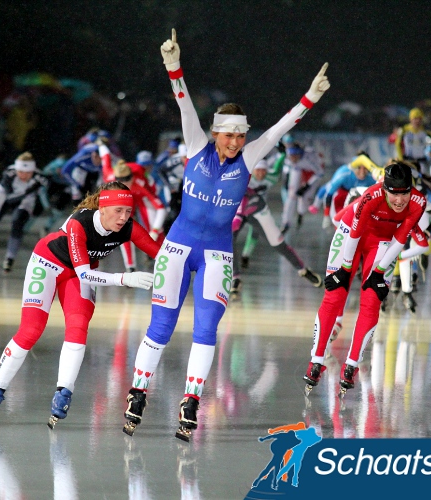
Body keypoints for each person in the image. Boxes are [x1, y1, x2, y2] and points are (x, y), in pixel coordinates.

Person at [122, 28, 330, 441]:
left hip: (217, 251)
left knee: (206, 331)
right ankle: (137, 394)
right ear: (216, 132)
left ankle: (191, 401)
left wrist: (311, 97)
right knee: (160, 327)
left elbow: (280, 129)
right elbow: (182, 102)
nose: (236, 142)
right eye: (229, 134)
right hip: (178, 246)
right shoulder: (196, 142)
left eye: (241, 134)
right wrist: (172, 67)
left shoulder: (251, 154)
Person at [0, 182, 161, 428]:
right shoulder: (79, 223)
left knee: (78, 327)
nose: (123, 218)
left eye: (128, 212)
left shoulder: (128, 228)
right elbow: (86, 275)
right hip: (48, 263)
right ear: (103, 208)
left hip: (78, 273)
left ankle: (63, 394)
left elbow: (164, 255)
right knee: (31, 330)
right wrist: (125, 278)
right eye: (118, 210)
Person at [303, 161, 426, 397]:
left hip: (383, 242)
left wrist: (378, 272)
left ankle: (352, 364)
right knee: (334, 295)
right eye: (394, 194)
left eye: (404, 194)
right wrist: (344, 268)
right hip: (352, 233)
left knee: (372, 301)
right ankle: (316, 360)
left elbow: (400, 240)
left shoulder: (418, 202)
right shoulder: (372, 195)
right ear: (385, 188)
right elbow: (355, 231)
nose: (400, 200)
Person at [231, 156, 322, 294]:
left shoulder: (261, 179)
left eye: (263, 171)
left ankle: (302, 269)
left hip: (257, 209)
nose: (261, 174)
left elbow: (237, 220)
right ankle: (235, 276)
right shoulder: (237, 181)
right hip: (243, 208)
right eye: (258, 171)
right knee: (228, 240)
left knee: (279, 244)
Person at [112, 160, 167, 272]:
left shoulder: (140, 183)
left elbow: (161, 208)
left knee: (153, 225)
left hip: (142, 196)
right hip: (126, 199)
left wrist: (155, 230)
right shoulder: (111, 184)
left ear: (132, 177)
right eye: (121, 181)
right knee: (122, 227)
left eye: (127, 180)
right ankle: (130, 267)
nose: (125, 184)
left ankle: (165, 260)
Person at [309, 151, 381, 230]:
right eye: (359, 167)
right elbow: (328, 192)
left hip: (357, 200)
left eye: (365, 168)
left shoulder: (372, 176)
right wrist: (326, 215)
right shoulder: (344, 173)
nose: (362, 172)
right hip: (340, 197)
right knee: (340, 225)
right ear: (353, 167)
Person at [279, 142, 324, 234]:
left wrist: (307, 185)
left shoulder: (309, 159)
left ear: (300, 154)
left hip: (313, 172)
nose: (293, 159)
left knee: (304, 197)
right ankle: (286, 223)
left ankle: (301, 213)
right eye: (291, 156)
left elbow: (320, 173)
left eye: (295, 156)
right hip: (298, 170)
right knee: (291, 196)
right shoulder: (290, 158)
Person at [394, 107, 431, 177]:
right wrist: (401, 158)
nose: (417, 121)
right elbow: (398, 144)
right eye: (415, 118)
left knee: (423, 182)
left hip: (422, 162)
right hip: (408, 161)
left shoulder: (426, 130)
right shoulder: (404, 130)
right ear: (410, 119)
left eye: (420, 119)